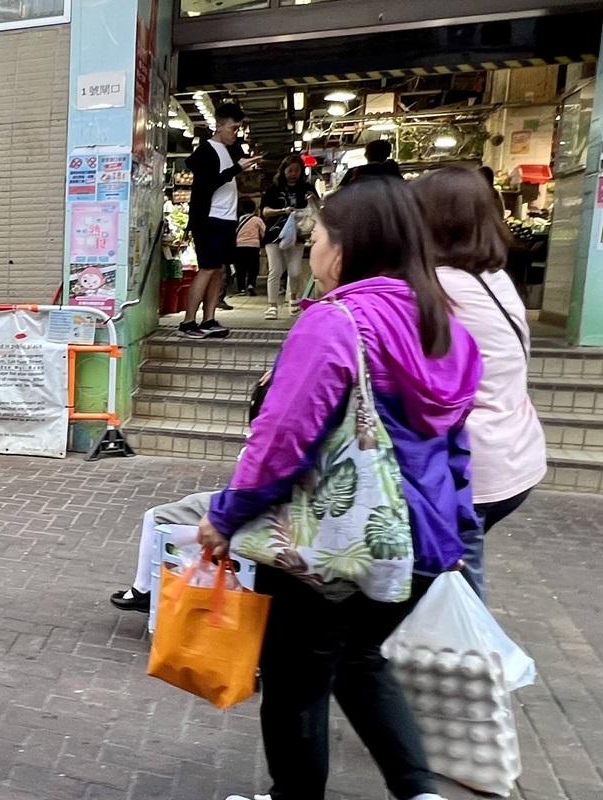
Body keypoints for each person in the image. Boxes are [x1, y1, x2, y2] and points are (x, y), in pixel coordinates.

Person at [198, 179, 482, 800]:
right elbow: (457, 445)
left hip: (332, 546)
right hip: (420, 544)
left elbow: (281, 439)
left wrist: (225, 515)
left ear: (348, 247)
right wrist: (459, 529)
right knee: (360, 660)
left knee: (298, 685)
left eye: (318, 237)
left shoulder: (336, 323)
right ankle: (420, 793)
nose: (313, 247)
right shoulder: (446, 326)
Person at [412, 167, 546, 598]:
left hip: (471, 470)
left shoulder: (438, 289)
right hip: (517, 452)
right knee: (443, 589)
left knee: (458, 608)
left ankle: (476, 663)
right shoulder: (494, 278)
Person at [179, 102, 260, 338]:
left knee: (218, 270)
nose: (236, 133)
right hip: (209, 220)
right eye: (233, 128)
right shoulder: (206, 151)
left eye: (238, 129)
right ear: (219, 126)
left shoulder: (228, 151)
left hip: (225, 220)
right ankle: (187, 322)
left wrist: (239, 167)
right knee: (207, 269)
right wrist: (236, 169)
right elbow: (206, 185)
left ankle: (209, 319)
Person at [261, 154, 316, 319]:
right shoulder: (273, 189)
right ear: (283, 171)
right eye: (290, 170)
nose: (293, 173)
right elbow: (264, 211)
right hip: (274, 235)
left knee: (295, 271)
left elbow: (316, 209)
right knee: (275, 270)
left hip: (298, 234)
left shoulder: (307, 189)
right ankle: (272, 305)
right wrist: (282, 211)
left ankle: (294, 298)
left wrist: (312, 201)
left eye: (297, 170)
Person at [233, 197, 265, 296]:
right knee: (253, 267)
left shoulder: (237, 220)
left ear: (242, 209)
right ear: (254, 208)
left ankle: (241, 289)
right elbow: (263, 232)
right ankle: (251, 284)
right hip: (253, 246)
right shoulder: (257, 220)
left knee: (240, 268)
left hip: (239, 246)